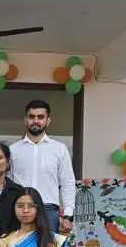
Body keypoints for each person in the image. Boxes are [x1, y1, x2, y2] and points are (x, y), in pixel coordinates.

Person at [9, 100, 77, 234]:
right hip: (21, 211)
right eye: (31, 117)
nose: (36, 121)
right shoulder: (13, 150)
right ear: (25, 120)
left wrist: (68, 215)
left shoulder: (59, 149)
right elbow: (8, 182)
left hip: (48, 211)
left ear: (48, 121)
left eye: (40, 117)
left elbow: (67, 183)